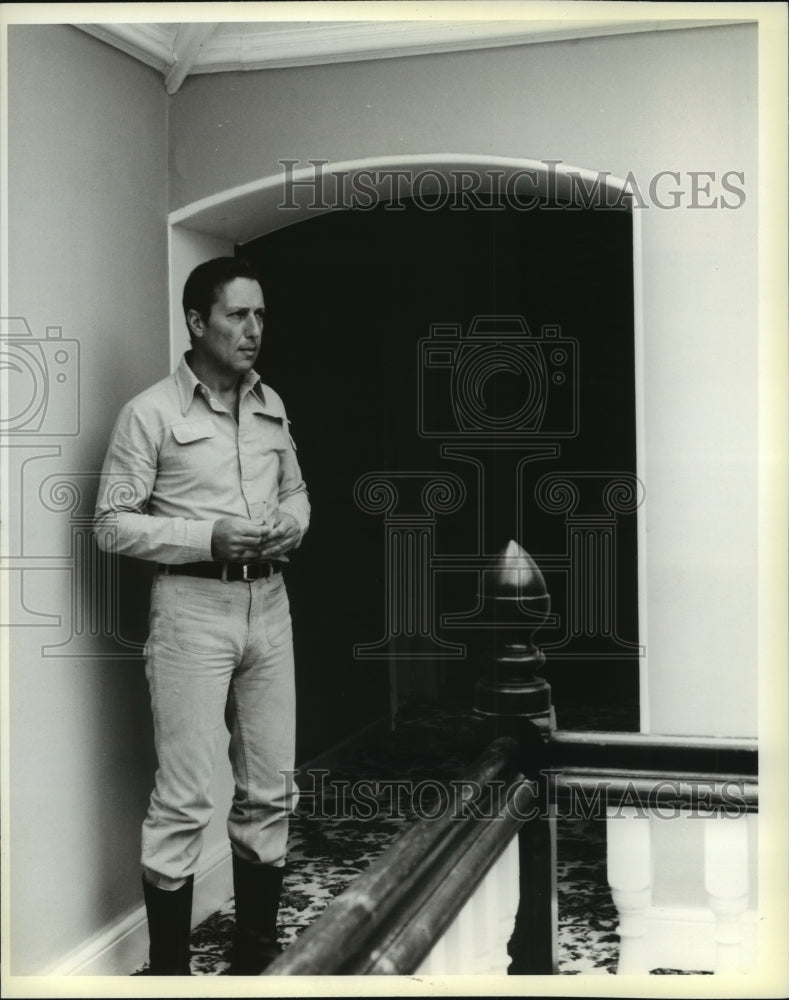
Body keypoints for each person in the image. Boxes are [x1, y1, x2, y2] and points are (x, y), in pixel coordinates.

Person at [94, 257, 309, 975]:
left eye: (260, 316)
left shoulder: (271, 403)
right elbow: (111, 524)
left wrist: (289, 523)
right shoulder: (150, 413)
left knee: (270, 788)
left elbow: (300, 493)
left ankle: (254, 954)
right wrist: (203, 537)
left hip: (269, 606)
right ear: (196, 322)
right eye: (237, 316)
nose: (253, 331)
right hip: (191, 608)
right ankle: (170, 973)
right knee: (184, 799)